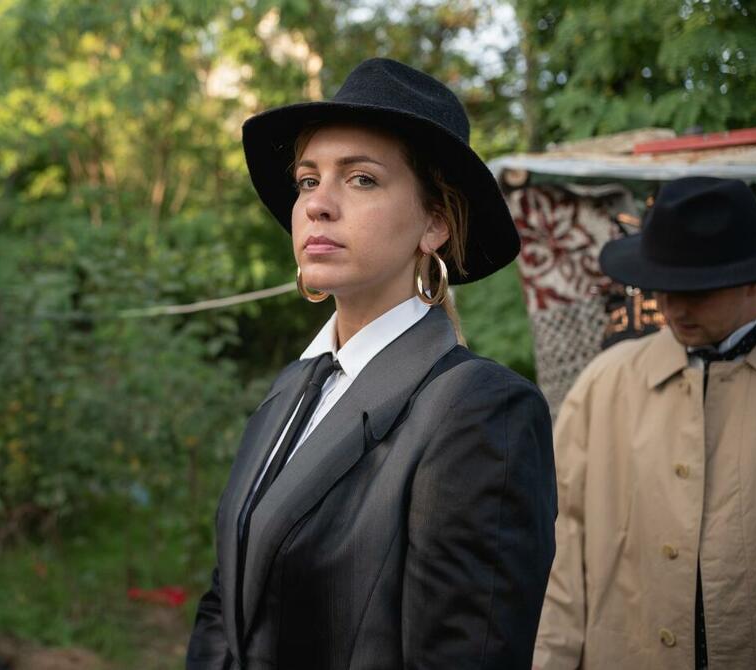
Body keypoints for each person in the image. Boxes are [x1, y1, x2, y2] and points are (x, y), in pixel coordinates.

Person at [186, 58, 557, 670]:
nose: (318, 205)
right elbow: (225, 607)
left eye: (361, 179)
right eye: (308, 180)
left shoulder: (481, 412)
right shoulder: (290, 390)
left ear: (435, 223)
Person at [533, 177, 756, 670]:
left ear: (751, 280)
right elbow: (559, 546)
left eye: (698, 290)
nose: (674, 308)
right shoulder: (605, 384)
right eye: (665, 287)